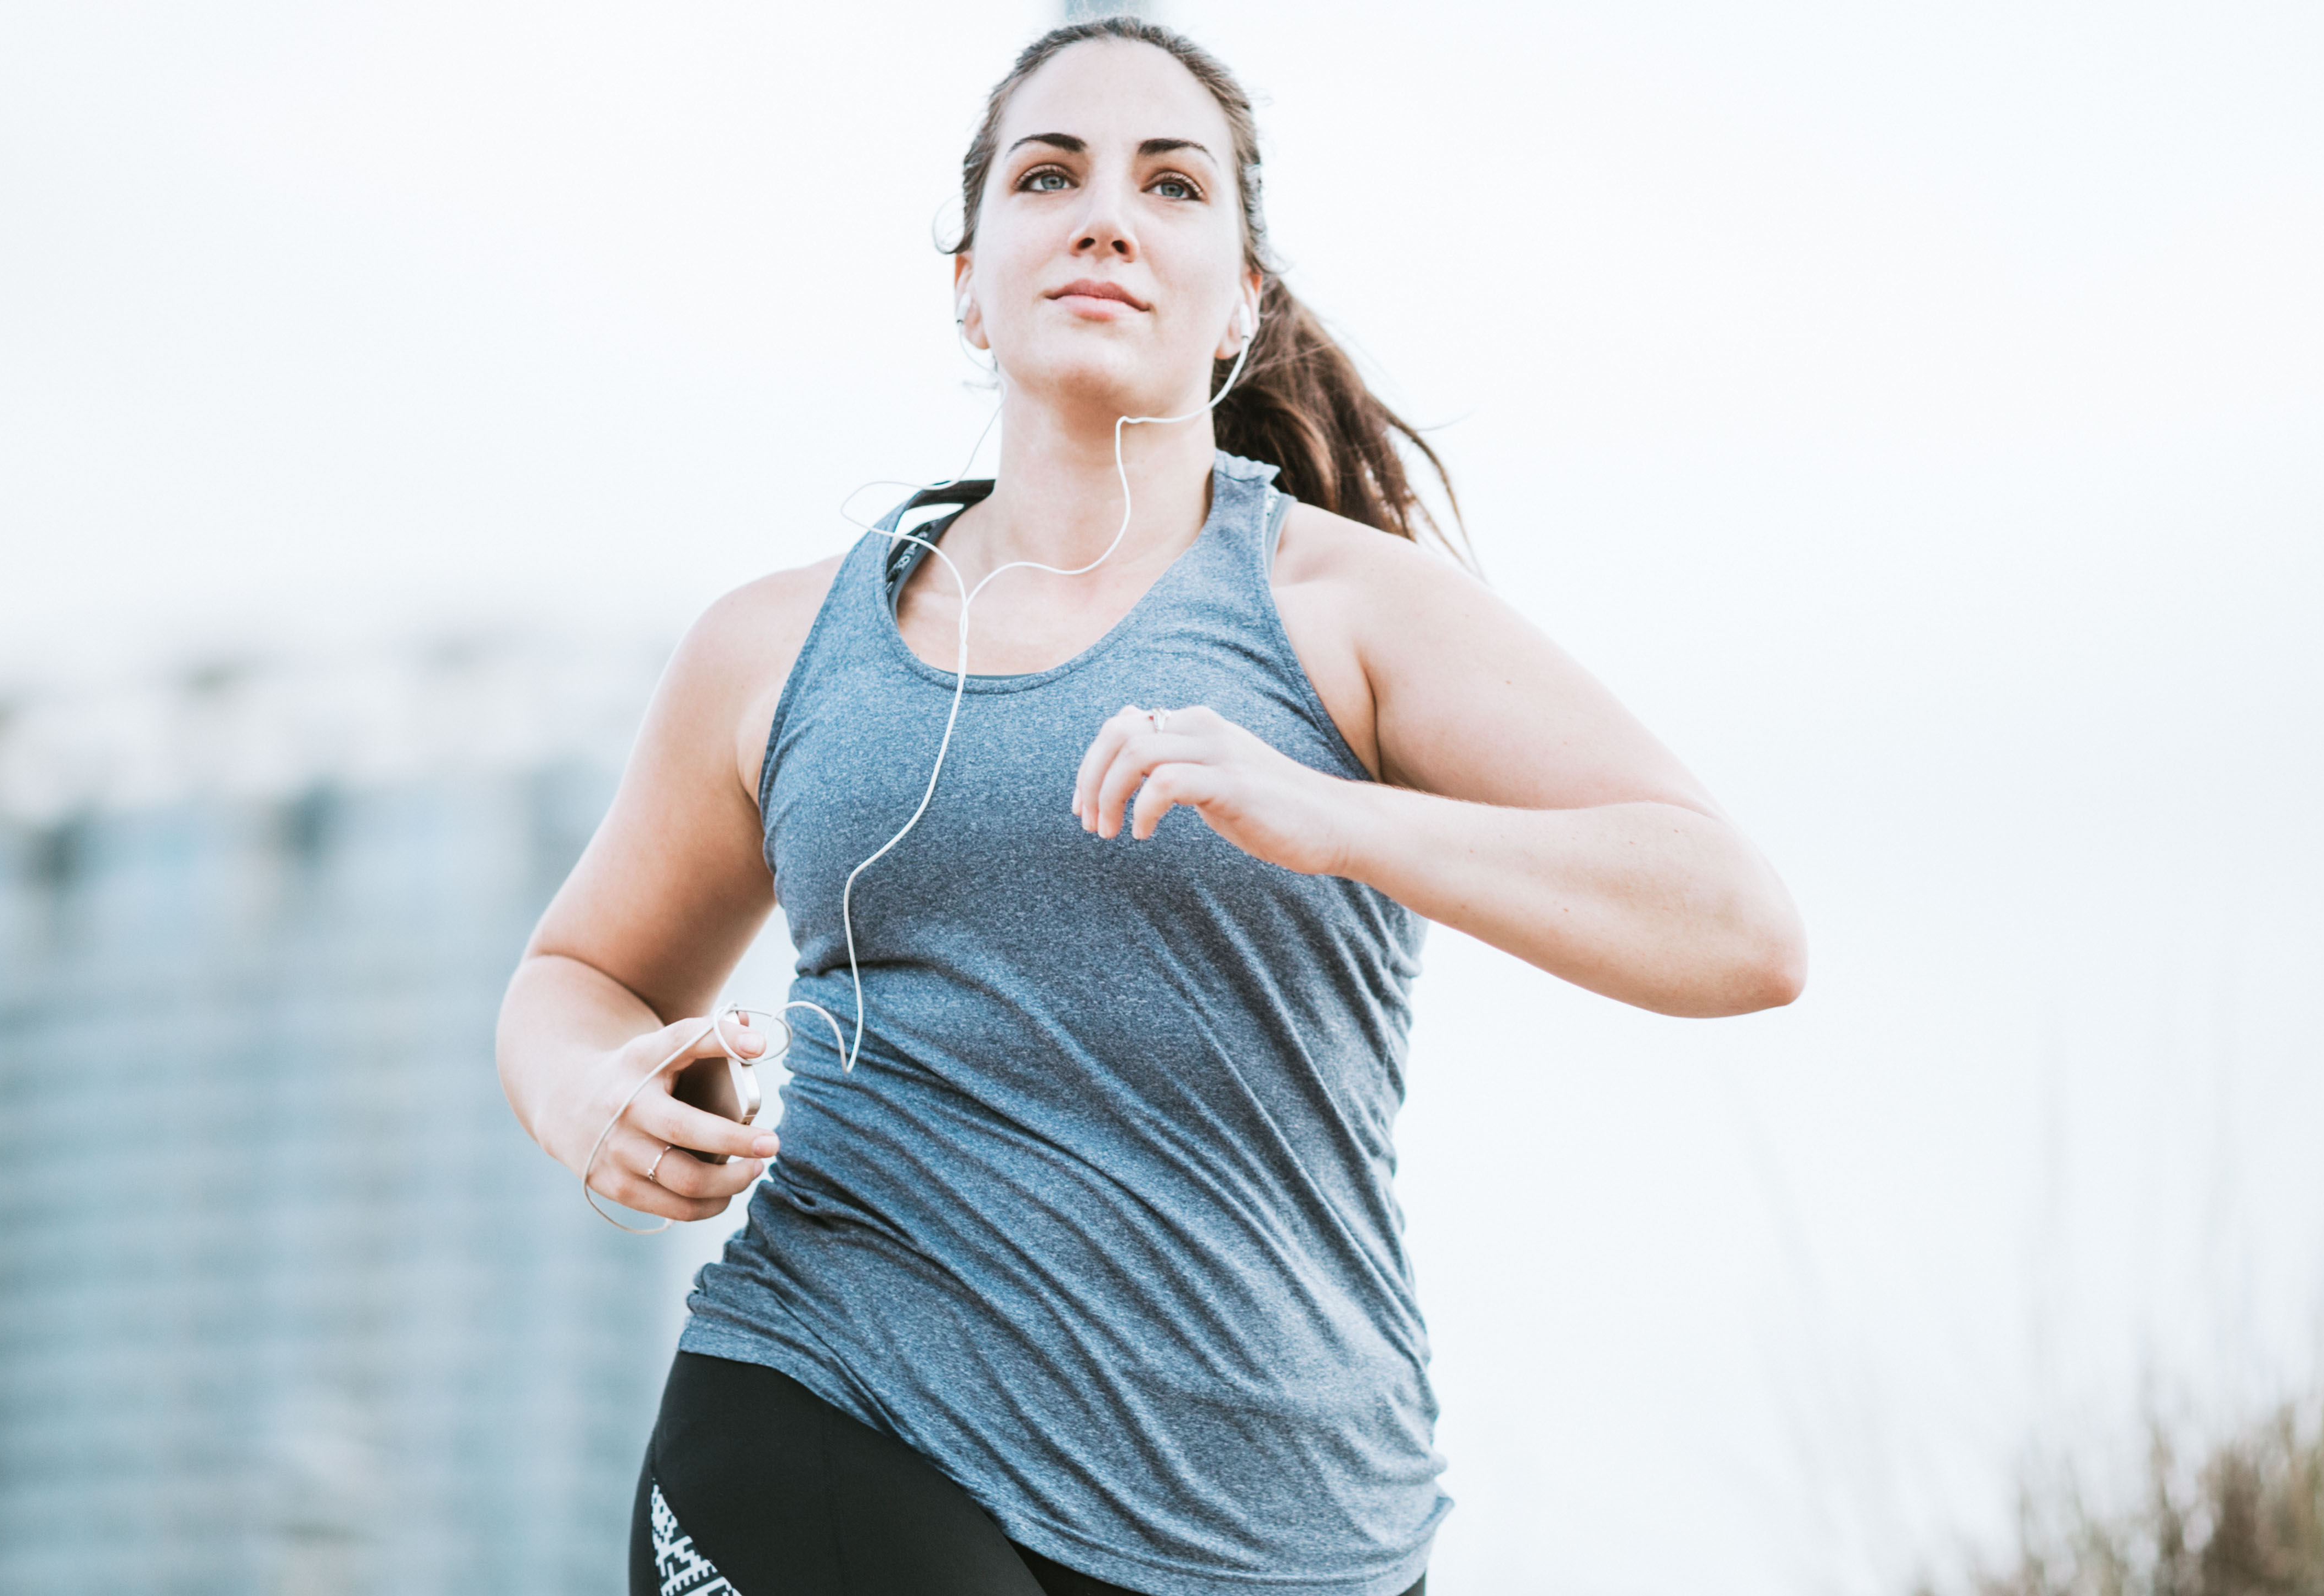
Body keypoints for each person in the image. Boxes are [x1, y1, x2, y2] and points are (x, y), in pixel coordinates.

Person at [495, 18, 1806, 1596]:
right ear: (968, 281)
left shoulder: (1342, 610)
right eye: (1050, 175)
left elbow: (1738, 925)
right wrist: (594, 1102)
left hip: (1287, 1524)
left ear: (1240, 297)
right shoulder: (772, 650)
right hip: (836, 1398)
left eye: (1172, 185)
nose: (1107, 213)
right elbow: (579, 979)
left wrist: (1330, 816)